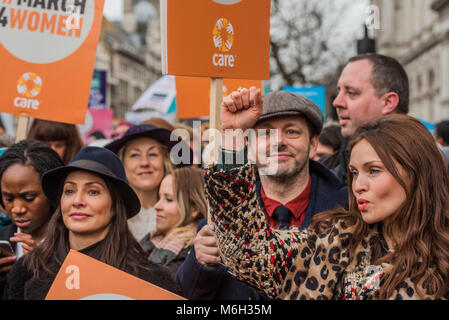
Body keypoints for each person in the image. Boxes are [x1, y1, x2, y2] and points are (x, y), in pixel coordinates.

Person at [207, 114, 449, 300]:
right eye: (354, 173)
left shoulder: (443, 256)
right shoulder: (335, 237)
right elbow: (249, 252)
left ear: (417, 172)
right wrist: (231, 139)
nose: (358, 186)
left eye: (373, 170)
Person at [176, 88, 348, 300]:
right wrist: (201, 263)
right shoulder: (219, 219)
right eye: (266, 133)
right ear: (249, 145)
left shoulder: (350, 211)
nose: (278, 141)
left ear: (313, 145)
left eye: (292, 131)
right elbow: (187, 297)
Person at [2, 146, 181, 300]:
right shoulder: (29, 268)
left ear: (115, 206)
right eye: (70, 191)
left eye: (93, 192)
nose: (77, 201)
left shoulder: (149, 279)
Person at [322, 53, 409, 184]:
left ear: (388, 102)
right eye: (339, 91)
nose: (337, 102)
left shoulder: (437, 168)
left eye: (351, 93)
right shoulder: (322, 173)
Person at [105, 124, 192, 242]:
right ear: (122, 163)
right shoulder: (108, 214)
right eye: (135, 155)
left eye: (152, 154)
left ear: (166, 161)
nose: (144, 163)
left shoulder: (185, 214)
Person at [0, 141, 63, 290]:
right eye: (8, 198)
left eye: (29, 198)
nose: (18, 209)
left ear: (53, 192)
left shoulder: (74, 244)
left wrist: (45, 270)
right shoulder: (2, 239)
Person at [140, 167, 206, 281]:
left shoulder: (191, 256)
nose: (156, 206)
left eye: (169, 199)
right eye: (159, 197)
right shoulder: (153, 239)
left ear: (194, 208)